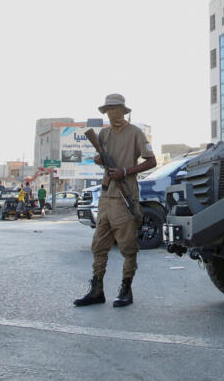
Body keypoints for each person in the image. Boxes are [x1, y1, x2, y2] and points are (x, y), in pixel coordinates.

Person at [74, 93, 156, 308]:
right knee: (99, 245)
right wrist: (100, 160)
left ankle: (126, 289)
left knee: (128, 247)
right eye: (107, 110)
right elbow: (103, 160)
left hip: (125, 195)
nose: (110, 113)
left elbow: (151, 161)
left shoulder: (135, 133)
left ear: (123, 110)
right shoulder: (103, 134)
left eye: (114, 109)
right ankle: (96, 289)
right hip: (106, 196)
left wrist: (126, 171)